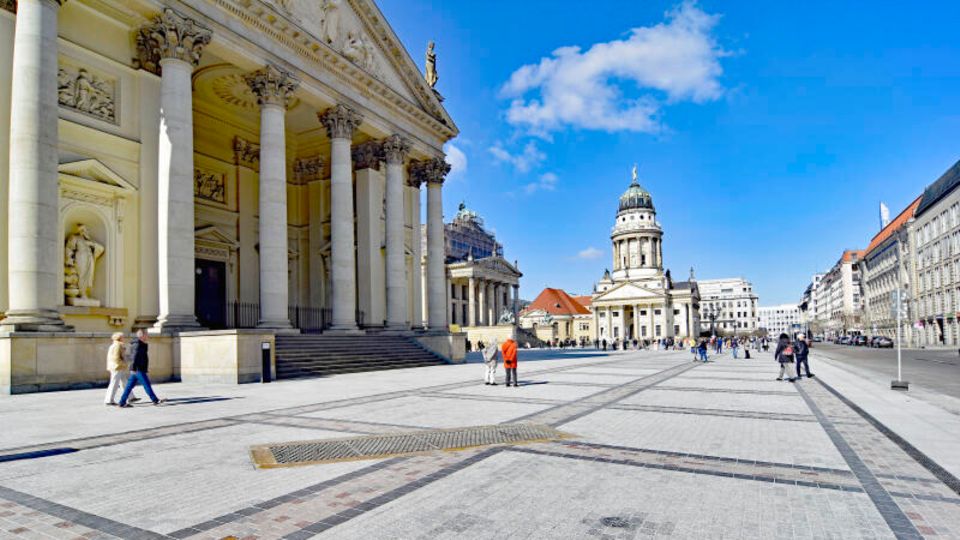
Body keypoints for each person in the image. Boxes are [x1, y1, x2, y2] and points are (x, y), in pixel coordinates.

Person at [118, 329, 165, 407]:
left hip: (136, 369)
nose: (148, 336)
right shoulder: (138, 344)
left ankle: (122, 402)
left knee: (128, 387)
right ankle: (155, 400)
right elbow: (134, 357)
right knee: (147, 385)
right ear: (142, 335)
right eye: (146, 334)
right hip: (138, 369)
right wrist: (133, 368)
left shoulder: (139, 344)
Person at [104, 332, 139, 406]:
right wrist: (124, 364)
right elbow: (116, 357)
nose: (124, 338)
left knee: (124, 382)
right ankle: (109, 400)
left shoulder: (113, 345)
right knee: (114, 383)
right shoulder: (118, 345)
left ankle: (131, 397)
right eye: (123, 337)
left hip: (116, 366)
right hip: (117, 367)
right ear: (119, 338)